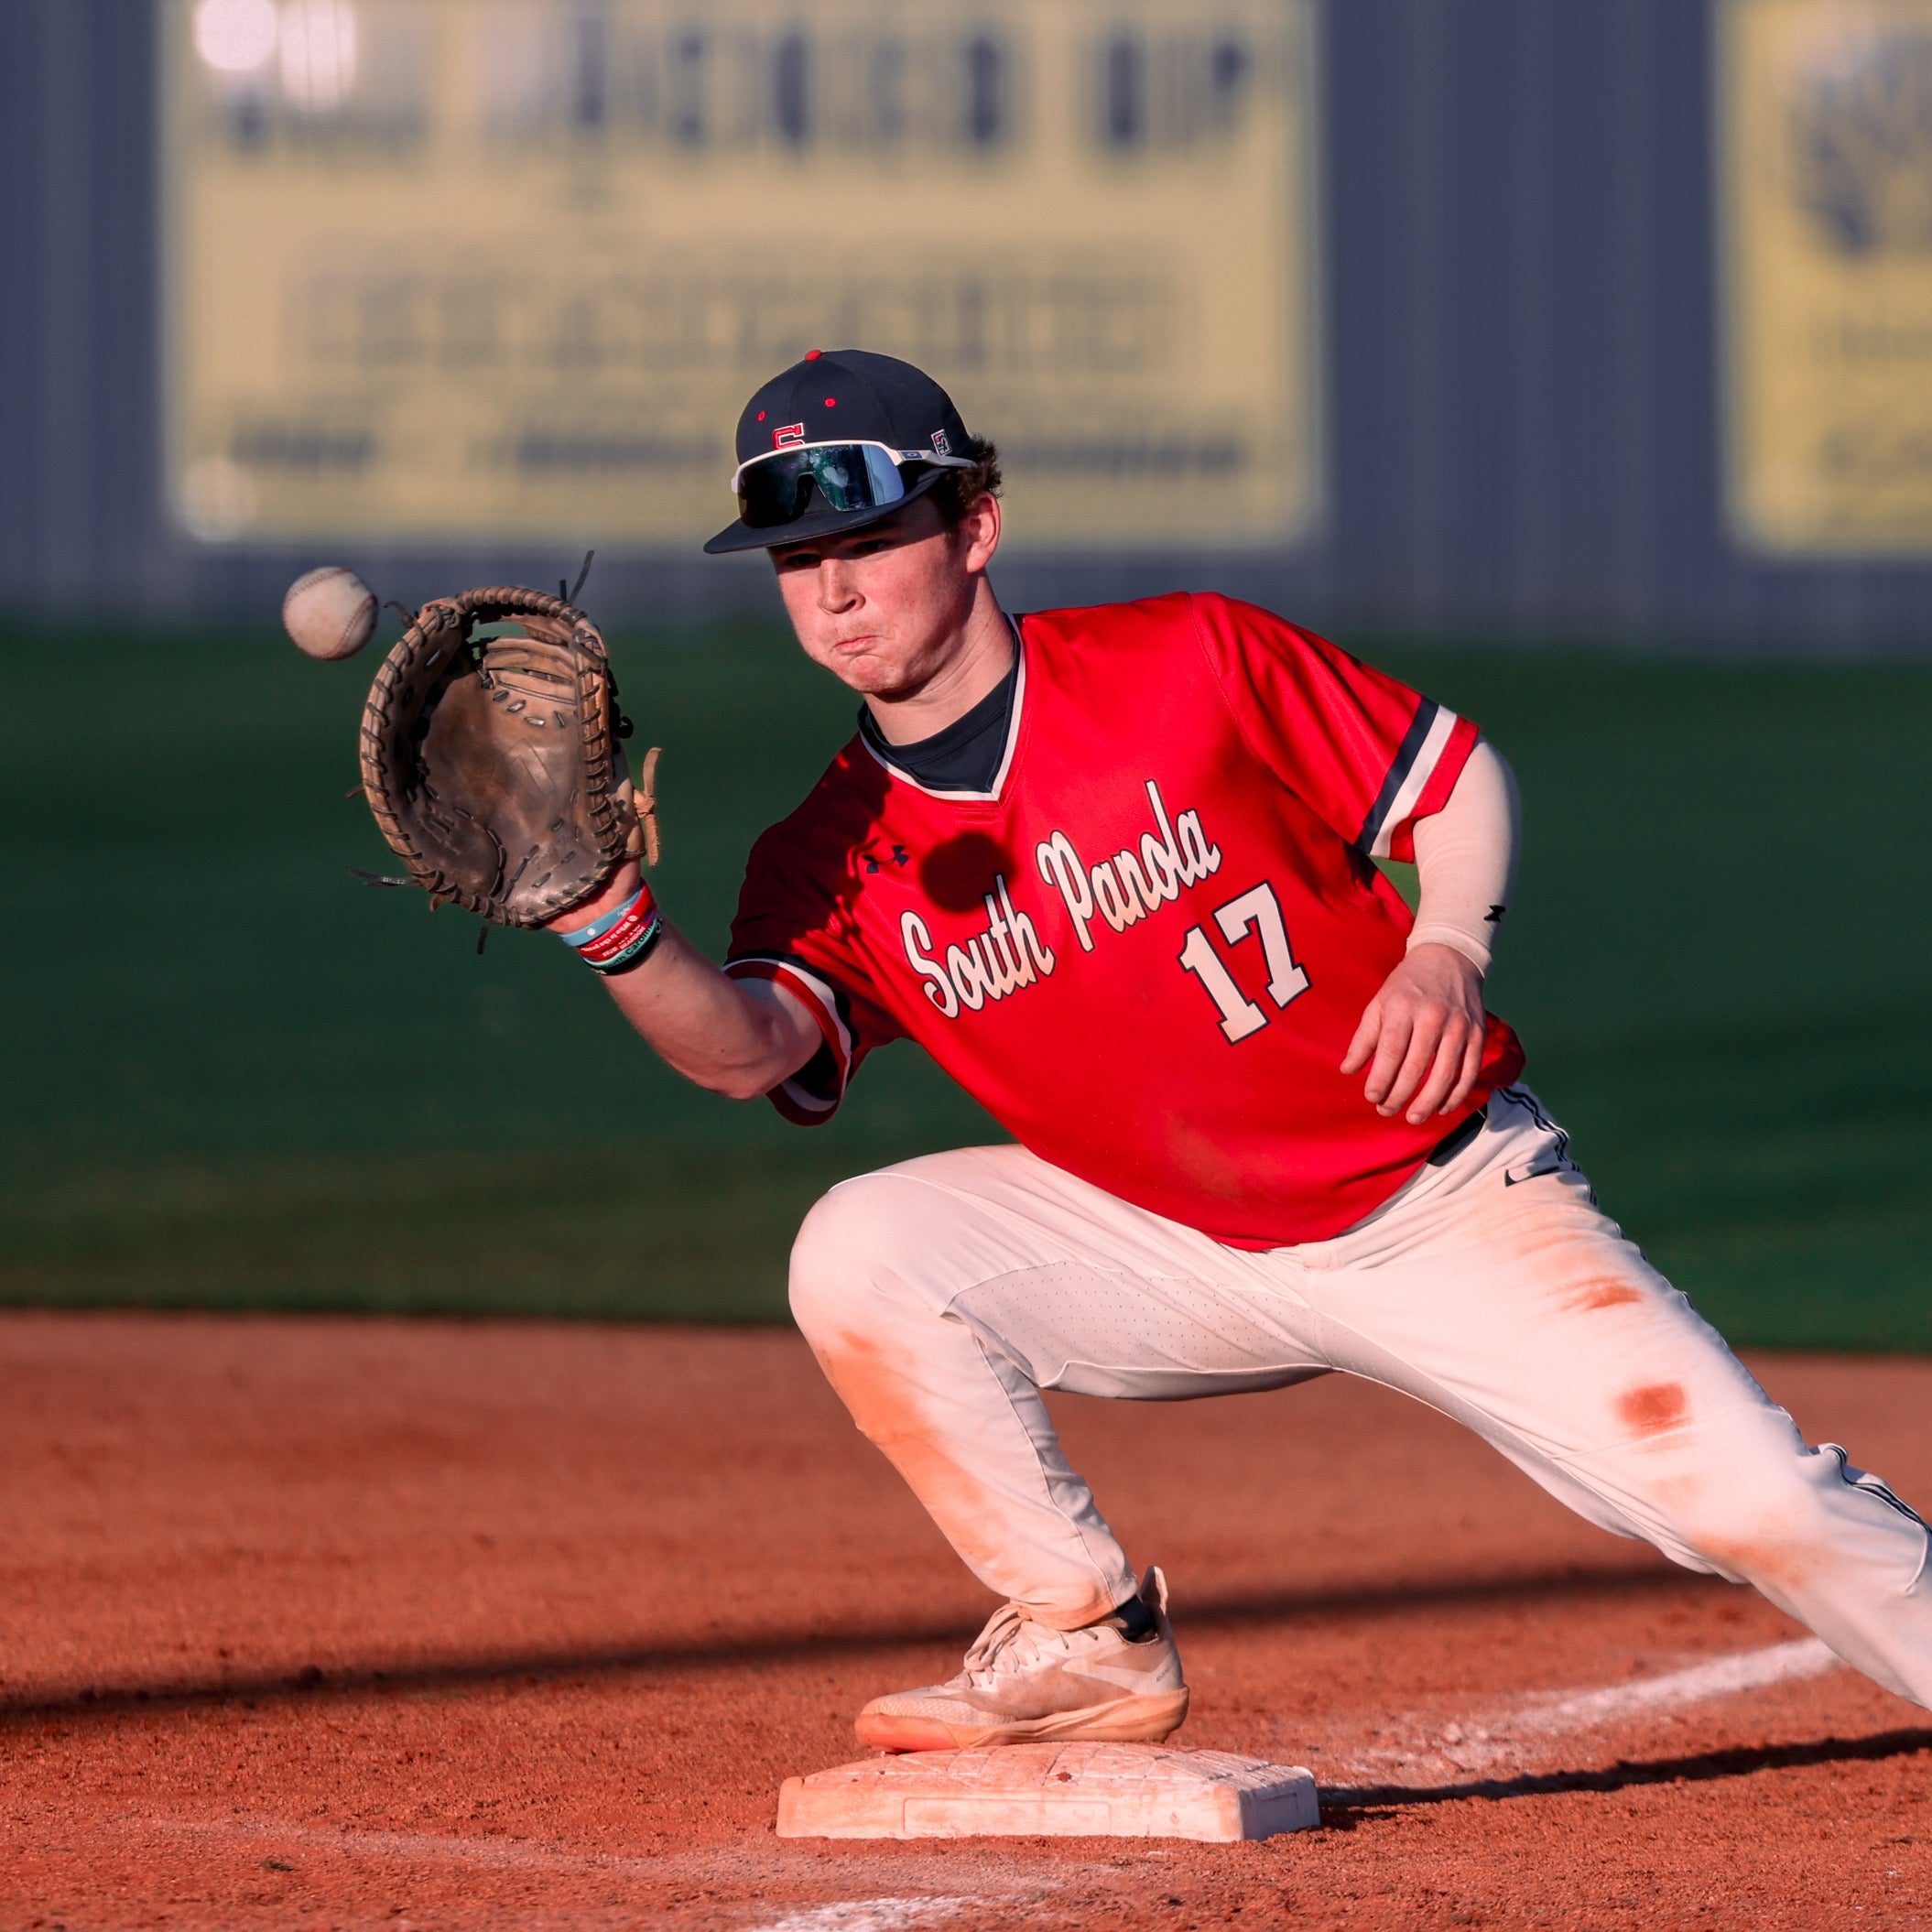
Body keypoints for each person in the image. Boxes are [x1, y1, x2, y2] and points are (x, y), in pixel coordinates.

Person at [550, 349, 1932, 1753]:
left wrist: (1444, 943)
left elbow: (1449, 778)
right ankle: (1084, 1636)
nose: (833, 591)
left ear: (974, 526)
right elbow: (749, 1051)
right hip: (1169, 1245)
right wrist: (605, 922)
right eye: (796, 560)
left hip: (1436, 1201)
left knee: (1750, 1503)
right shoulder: (828, 852)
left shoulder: (1183, 662)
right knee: (860, 1247)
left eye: (869, 542)